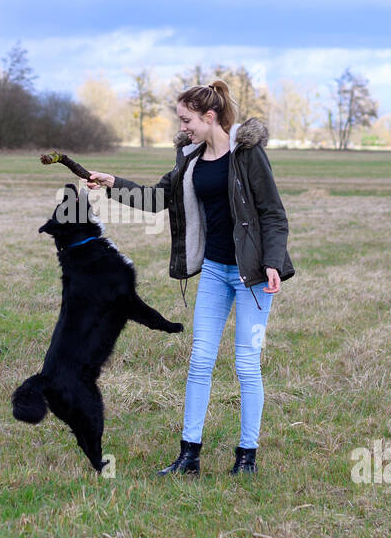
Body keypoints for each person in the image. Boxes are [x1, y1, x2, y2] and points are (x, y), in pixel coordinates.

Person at [84, 79, 294, 476]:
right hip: (215, 270)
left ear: (209, 117)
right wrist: (112, 184)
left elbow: (273, 213)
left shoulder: (247, 155)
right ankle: (189, 455)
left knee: (246, 365)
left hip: (252, 276)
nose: (182, 127)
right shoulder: (190, 157)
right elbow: (156, 198)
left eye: (187, 119)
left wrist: (272, 261)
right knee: (200, 361)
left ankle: (246, 456)